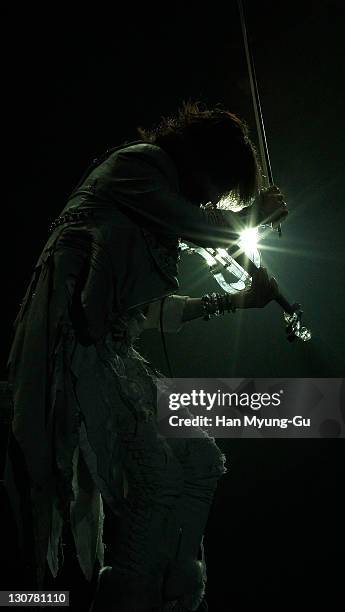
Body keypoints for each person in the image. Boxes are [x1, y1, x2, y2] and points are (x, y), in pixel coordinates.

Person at [3, 102, 288, 611]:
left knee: (200, 459)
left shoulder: (153, 207)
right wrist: (248, 218)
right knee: (154, 478)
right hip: (72, 349)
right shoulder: (137, 166)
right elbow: (196, 226)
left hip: (110, 351)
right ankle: (127, 598)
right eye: (218, 184)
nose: (210, 199)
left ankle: (175, 591)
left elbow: (149, 311)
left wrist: (236, 299)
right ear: (204, 163)